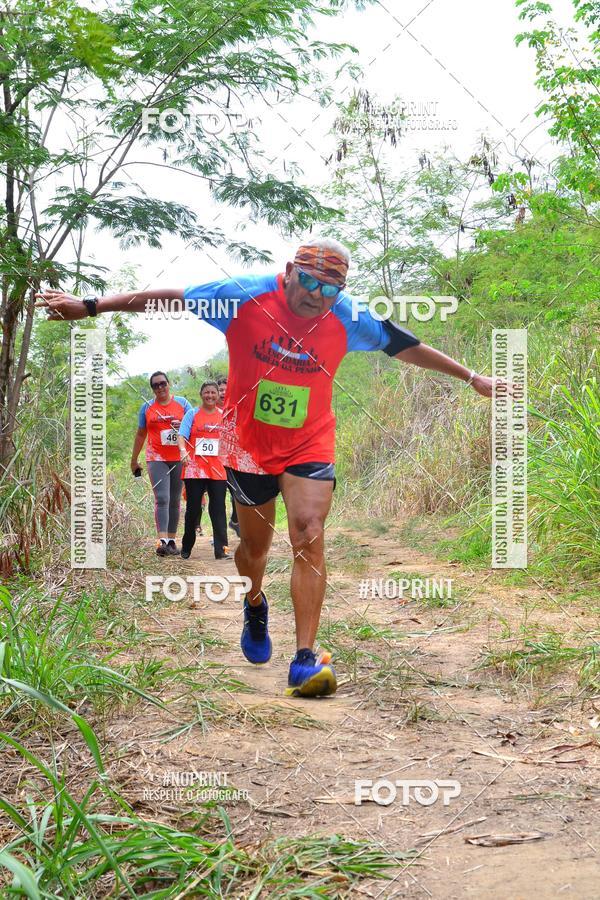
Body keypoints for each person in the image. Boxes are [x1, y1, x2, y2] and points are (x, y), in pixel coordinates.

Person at [37, 236, 500, 698]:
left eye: (329, 289)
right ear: (289, 270)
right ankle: (254, 601)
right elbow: (170, 299)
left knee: (308, 531)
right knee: (254, 550)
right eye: (310, 282)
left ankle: (304, 657)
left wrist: (472, 377)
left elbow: (403, 343)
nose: (316, 296)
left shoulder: (347, 315)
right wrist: (91, 305)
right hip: (247, 448)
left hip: (310, 442)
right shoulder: (243, 296)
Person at [131, 372, 191, 556]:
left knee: (174, 500)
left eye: (162, 384)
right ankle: (161, 542)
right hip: (156, 458)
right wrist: (134, 460)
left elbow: (192, 427)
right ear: (152, 389)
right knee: (162, 498)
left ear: (169, 384)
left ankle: (172, 541)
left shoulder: (183, 404)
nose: (160, 388)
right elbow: (141, 434)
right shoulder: (147, 407)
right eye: (155, 385)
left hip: (179, 457)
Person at [178, 381, 231, 560]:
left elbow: (231, 439)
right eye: (206, 392)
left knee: (218, 510)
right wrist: (183, 450)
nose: (210, 396)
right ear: (201, 394)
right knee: (193, 509)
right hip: (195, 469)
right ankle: (186, 548)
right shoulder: (192, 414)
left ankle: (222, 550)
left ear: (218, 395)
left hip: (217, 469)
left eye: (213, 393)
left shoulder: (224, 415)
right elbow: (181, 435)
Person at [216, 375, 240, 538]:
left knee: (236, 494)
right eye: (220, 390)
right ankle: (219, 536)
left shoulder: (236, 408)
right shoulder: (207, 409)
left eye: (226, 389)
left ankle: (235, 521)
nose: (223, 393)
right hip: (213, 461)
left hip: (233, 459)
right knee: (217, 499)